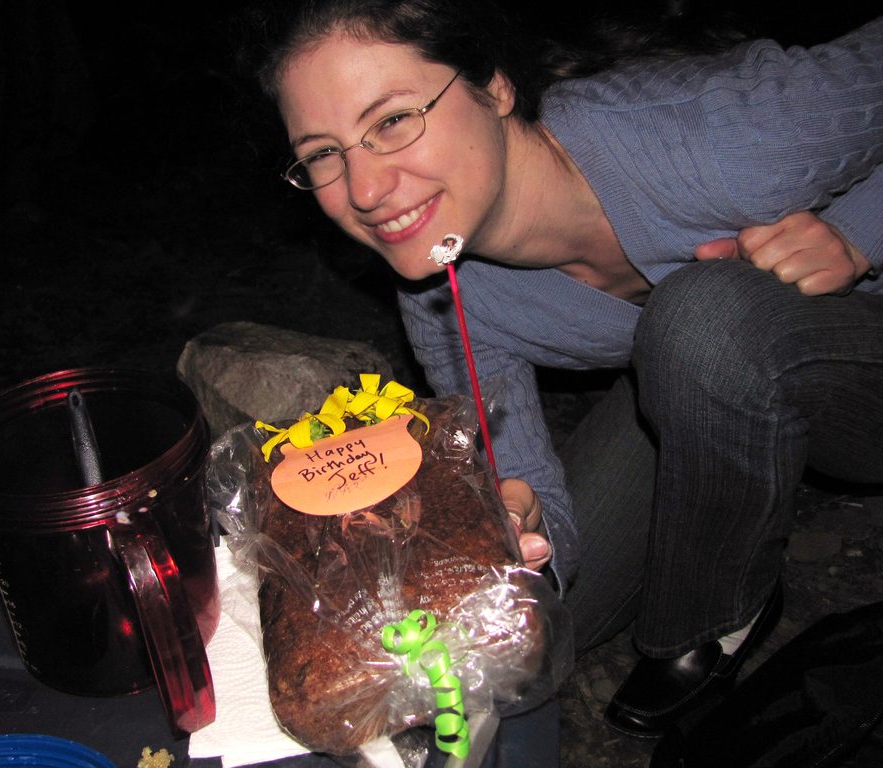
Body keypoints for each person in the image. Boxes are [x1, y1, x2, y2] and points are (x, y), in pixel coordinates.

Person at [244, 0, 883, 749]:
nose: (364, 189)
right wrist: (520, 527)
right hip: (702, 377)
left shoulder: (724, 134)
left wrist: (859, 230)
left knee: (703, 319)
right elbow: (520, 473)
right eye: (324, 153)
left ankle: (716, 615)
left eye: (391, 121)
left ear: (495, 86)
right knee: (521, 631)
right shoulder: (440, 293)